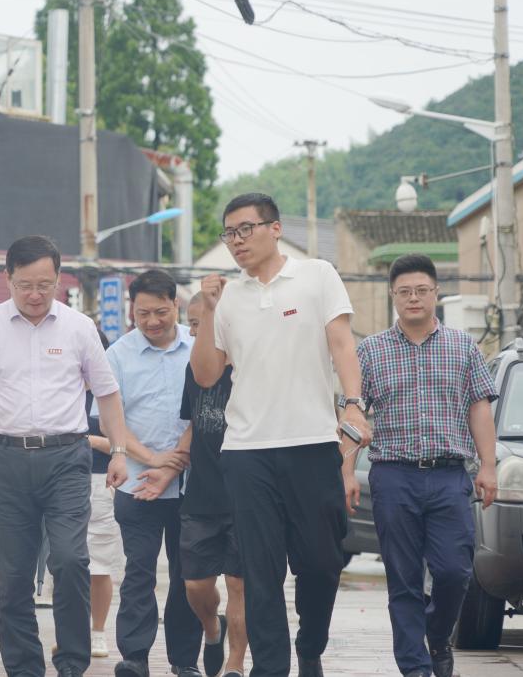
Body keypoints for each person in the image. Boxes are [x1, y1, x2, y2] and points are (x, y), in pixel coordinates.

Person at [191, 193, 371, 677]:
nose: (236, 241)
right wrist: (208, 310)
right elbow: (206, 374)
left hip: (312, 443)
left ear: (274, 228)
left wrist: (353, 403)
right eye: (229, 234)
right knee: (260, 573)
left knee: (322, 562)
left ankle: (310, 643)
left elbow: (342, 344)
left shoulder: (317, 275)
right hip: (247, 451)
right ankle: (270, 669)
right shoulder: (228, 298)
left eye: (245, 229)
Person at [0, 235, 131, 677]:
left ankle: (71, 662)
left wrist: (120, 451)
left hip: (67, 456)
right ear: (8, 278)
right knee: (13, 575)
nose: (35, 295)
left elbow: (107, 394)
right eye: (25, 285)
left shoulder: (79, 328)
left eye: (45, 285)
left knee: (70, 559)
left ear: (59, 280)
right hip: (8, 458)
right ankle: (24, 667)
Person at [348, 254, 498, 677]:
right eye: (404, 292)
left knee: (455, 572)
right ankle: (415, 667)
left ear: (436, 293)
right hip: (393, 477)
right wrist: (345, 473)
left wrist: (488, 466)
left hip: (450, 476)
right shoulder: (370, 350)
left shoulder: (463, 346)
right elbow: (353, 416)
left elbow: (479, 409)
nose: (413, 298)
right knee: (404, 579)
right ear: (393, 296)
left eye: (421, 290)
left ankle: (436, 635)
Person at [106, 269, 202, 677]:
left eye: (160, 312)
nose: (152, 321)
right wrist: (153, 459)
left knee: (188, 575)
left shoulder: (199, 348)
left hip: (192, 486)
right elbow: (112, 420)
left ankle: (185, 660)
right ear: (132, 310)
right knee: (139, 571)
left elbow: (207, 411)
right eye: (142, 313)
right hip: (137, 483)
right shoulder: (118, 355)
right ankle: (134, 657)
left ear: (175, 305)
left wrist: (175, 459)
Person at [179, 292, 247, 677]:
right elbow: (193, 425)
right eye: (193, 323)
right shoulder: (195, 369)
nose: (195, 330)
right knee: (195, 586)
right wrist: (165, 464)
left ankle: (235, 664)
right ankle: (211, 628)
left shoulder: (254, 368)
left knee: (240, 583)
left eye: (202, 321)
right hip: (201, 496)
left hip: (247, 495)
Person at [85, 328, 126, 659]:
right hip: (60, 482)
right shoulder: (59, 389)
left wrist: (85, 440)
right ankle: (71, 631)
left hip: (101, 482)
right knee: (66, 565)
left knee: (99, 564)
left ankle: (97, 633)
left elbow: (123, 439)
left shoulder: (109, 392)